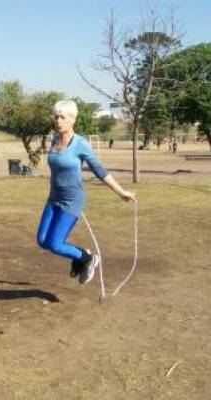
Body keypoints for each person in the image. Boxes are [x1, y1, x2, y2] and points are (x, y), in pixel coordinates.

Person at [37, 100, 136, 285]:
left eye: (62, 117)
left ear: (72, 120)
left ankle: (88, 258)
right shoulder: (54, 139)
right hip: (54, 197)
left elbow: (99, 170)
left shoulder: (80, 144)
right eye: (56, 116)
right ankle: (79, 257)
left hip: (72, 200)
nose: (58, 120)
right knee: (42, 240)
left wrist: (121, 192)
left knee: (55, 244)